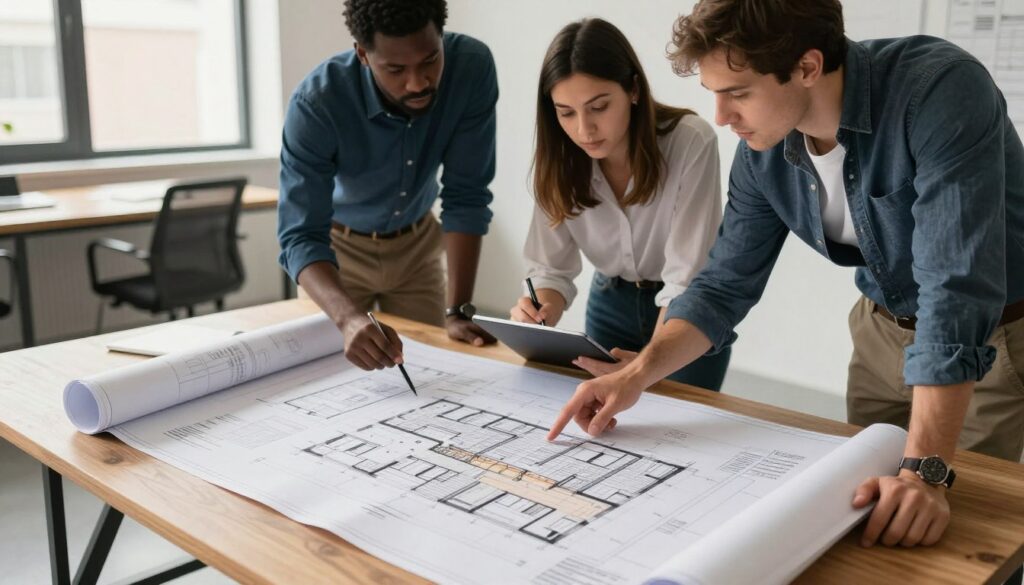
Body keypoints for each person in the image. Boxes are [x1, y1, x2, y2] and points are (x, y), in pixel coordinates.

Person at [547, 0, 1024, 560]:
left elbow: (953, 287)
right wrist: (637, 373)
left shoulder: (940, 90)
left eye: (738, 92)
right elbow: (723, 286)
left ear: (807, 67)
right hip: (879, 333)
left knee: (949, 540)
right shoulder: (763, 151)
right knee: (867, 528)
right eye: (713, 92)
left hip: (988, 341)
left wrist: (926, 471)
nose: (720, 116)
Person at [277, 0, 498, 372]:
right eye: (395, 69)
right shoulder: (316, 103)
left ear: (441, 37)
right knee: (329, 379)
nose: (418, 82)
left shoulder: (472, 68)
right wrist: (348, 318)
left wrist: (458, 309)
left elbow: (467, 196)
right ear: (363, 54)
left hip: (417, 247)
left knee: (429, 371)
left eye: (430, 60)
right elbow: (300, 235)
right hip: (337, 253)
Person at [510, 18, 729, 390]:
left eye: (598, 106)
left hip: (685, 314)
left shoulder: (690, 142)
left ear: (633, 90)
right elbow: (550, 269)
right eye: (566, 112)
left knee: (682, 432)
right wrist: (539, 313)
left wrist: (647, 364)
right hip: (609, 303)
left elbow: (686, 279)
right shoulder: (560, 159)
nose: (584, 130)